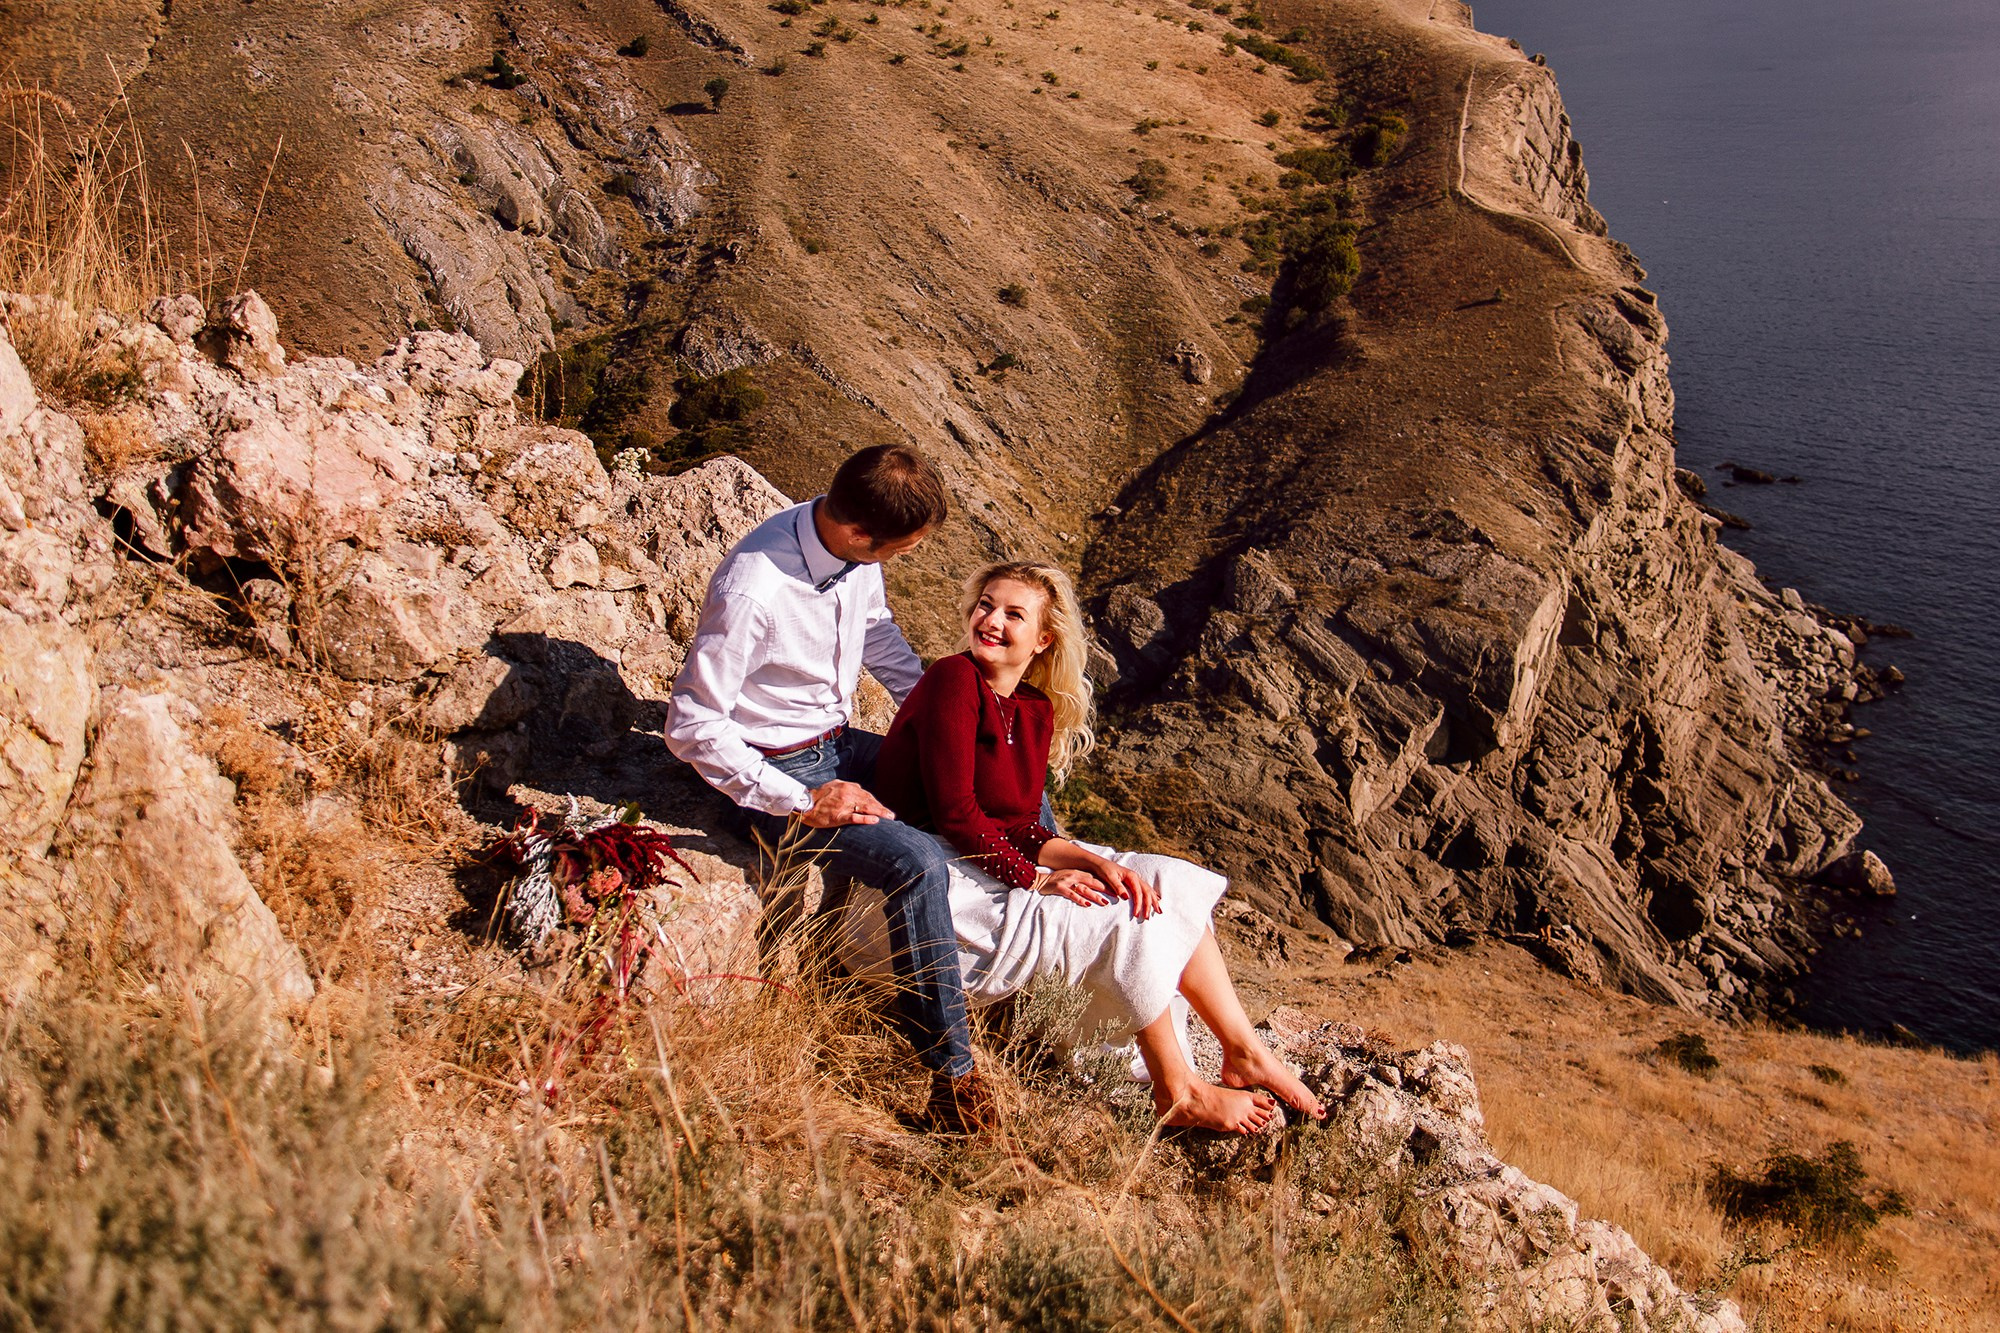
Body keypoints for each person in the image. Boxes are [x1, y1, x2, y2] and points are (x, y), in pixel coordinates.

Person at [871, 562, 1326, 1134]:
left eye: (1014, 613)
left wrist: (1092, 860)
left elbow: (1022, 826)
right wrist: (1037, 879)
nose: (990, 621)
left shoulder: (1034, 711)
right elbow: (956, 814)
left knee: (1161, 881)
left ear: (1043, 640)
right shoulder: (952, 680)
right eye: (986, 605)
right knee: (1120, 917)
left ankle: (1244, 1050)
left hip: (988, 853)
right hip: (940, 865)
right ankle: (1177, 1089)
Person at [664, 444, 996, 1131]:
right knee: (916, 862)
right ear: (856, 533)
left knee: (980, 776)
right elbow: (691, 723)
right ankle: (952, 1078)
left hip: (834, 740)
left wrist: (947, 712)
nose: (897, 561)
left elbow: (878, 637)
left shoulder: (849, 554)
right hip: (774, 773)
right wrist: (803, 799)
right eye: (895, 551)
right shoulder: (756, 587)